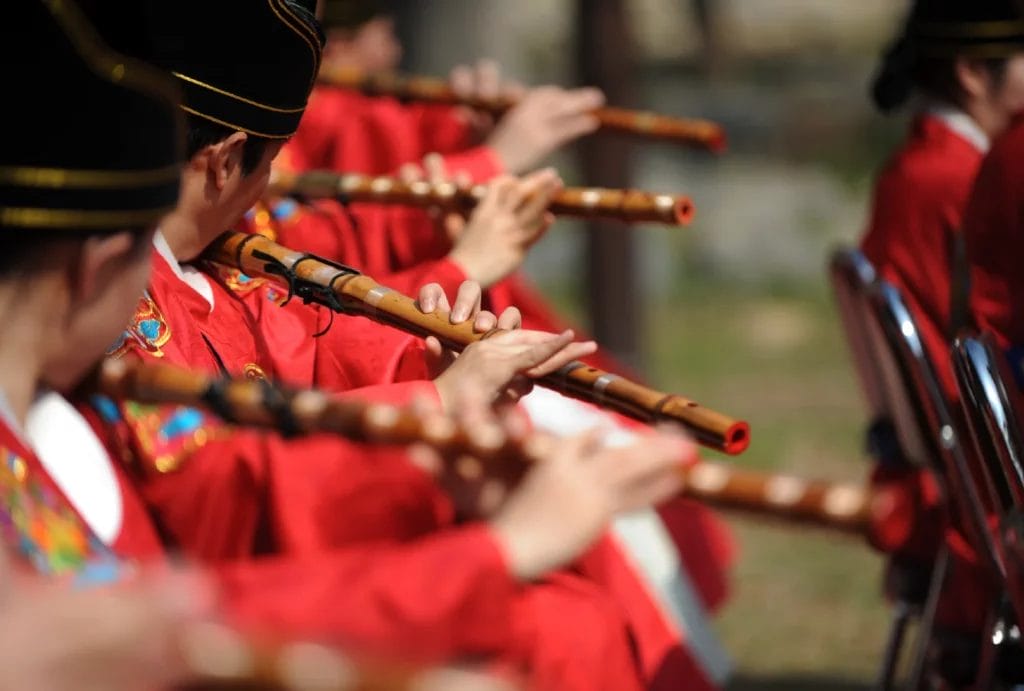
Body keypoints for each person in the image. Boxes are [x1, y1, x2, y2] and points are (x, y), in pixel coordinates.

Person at [53, 2, 701, 689]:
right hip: (229, 617)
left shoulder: (201, 262)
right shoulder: (117, 298)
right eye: (266, 163)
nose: (267, 189)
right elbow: (218, 494)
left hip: (251, 593)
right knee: (551, 621)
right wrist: (441, 406)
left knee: (566, 603)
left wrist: (429, 362)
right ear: (219, 164)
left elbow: (299, 340)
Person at [857, 0, 1024, 660]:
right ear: (973, 74)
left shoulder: (925, 169)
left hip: (966, 482)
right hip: (982, 496)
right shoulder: (961, 176)